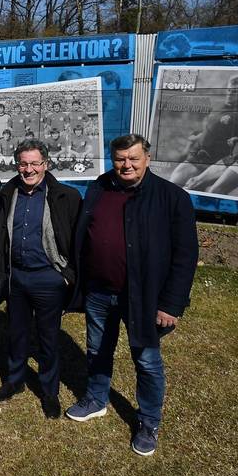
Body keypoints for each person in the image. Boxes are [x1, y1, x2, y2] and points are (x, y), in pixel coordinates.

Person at [66, 134, 198, 457]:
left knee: (147, 360)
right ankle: (96, 399)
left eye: (133, 158)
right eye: (120, 159)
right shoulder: (100, 187)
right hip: (99, 291)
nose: (126, 165)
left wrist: (171, 303)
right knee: (97, 350)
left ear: (147, 159)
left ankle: (149, 421)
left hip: (144, 298)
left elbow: (185, 255)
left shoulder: (171, 197)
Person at [0, 140, 81, 419]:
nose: (29, 169)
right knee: (17, 334)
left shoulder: (65, 196)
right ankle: (15, 381)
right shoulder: (6, 194)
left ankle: (49, 391)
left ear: (46, 164)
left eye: (34, 164)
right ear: (18, 165)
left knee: (48, 338)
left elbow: (76, 241)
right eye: (23, 164)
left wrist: (67, 275)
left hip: (48, 279)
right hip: (16, 277)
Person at [170, 73, 238, 187]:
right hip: (197, 154)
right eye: (229, 90)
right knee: (175, 183)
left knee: (183, 185)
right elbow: (210, 129)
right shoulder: (218, 106)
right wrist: (197, 137)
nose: (230, 94)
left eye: (235, 92)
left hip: (215, 161)